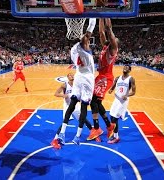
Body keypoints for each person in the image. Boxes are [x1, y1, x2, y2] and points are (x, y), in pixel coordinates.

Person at [57, 18, 96, 146]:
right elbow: (90, 27)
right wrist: (93, 14)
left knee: (72, 104)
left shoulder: (73, 51)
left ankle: (62, 133)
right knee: (84, 107)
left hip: (78, 76)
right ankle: (77, 136)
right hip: (87, 78)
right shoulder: (84, 47)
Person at [88, 18, 119, 141]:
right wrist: (100, 15)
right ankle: (108, 125)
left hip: (106, 78)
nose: (111, 39)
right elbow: (101, 32)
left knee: (93, 100)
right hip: (100, 76)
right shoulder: (105, 47)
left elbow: (108, 30)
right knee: (96, 102)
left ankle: (97, 128)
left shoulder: (113, 49)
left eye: (113, 39)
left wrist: (107, 15)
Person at [51, 73, 93, 149]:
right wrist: (63, 95)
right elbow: (56, 93)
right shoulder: (65, 85)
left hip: (75, 105)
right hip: (67, 105)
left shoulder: (78, 85)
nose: (72, 76)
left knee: (83, 119)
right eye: (70, 75)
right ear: (67, 77)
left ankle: (93, 132)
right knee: (65, 122)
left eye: (73, 75)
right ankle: (55, 140)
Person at [108, 65, 136, 144]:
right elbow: (112, 87)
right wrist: (110, 90)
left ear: (129, 70)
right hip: (116, 99)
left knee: (115, 119)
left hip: (123, 101)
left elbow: (134, 92)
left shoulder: (131, 79)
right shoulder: (117, 78)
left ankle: (116, 137)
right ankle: (115, 134)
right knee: (111, 116)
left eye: (127, 68)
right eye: (124, 67)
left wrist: (127, 95)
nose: (125, 68)